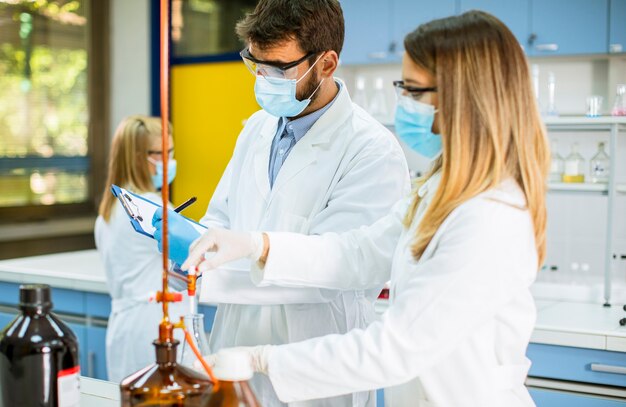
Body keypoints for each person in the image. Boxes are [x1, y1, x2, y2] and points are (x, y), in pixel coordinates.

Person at [183, 10, 550, 407]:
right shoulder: (440, 190)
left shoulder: (489, 215)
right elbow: (357, 252)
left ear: (466, 99)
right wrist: (258, 245)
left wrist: (264, 358)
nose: (403, 103)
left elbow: (396, 347)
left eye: (414, 91)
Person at [152, 0, 409, 405]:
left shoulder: (372, 150)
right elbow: (221, 219)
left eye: (278, 68)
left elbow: (348, 265)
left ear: (326, 63)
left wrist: (251, 252)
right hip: (235, 352)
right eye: (255, 63)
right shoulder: (256, 129)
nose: (263, 77)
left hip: (315, 366)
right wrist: (189, 248)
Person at [95, 115, 188, 382]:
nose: (168, 161)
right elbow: (191, 260)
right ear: (136, 157)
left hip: (123, 328)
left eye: (170, 152)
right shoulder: (151, 209)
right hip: (155, 327)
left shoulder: (109, 209)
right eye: (159, 154)